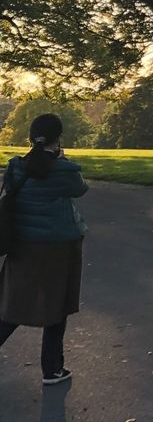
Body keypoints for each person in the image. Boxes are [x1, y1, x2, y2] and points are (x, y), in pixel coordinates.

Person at [0, 113, 88, 386]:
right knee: (56, 307)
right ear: (58, 137)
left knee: (12, 306)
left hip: (23, 246)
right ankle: (52, 369)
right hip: (58, 248)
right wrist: (60, 159)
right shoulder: (64, 170)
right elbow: (80, 189)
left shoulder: (16, 166)